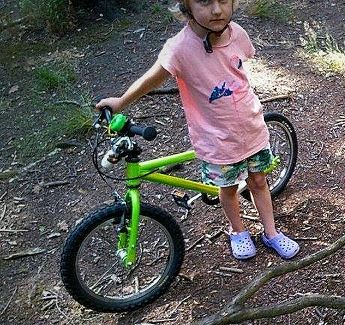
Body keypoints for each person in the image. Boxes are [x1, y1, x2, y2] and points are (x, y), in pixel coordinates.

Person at [96, 0, 299, 260]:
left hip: (252, 127)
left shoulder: (237, 33)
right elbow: (154, 77)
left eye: (223, 0)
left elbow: (237, 69)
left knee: (259, 181)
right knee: (227, 190)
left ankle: (271, 232)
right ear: (186, 7)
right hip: (216, 140)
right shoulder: (180, 48)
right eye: (204, 1)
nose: (216, 10)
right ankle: (238, 231)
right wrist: (121, 101)